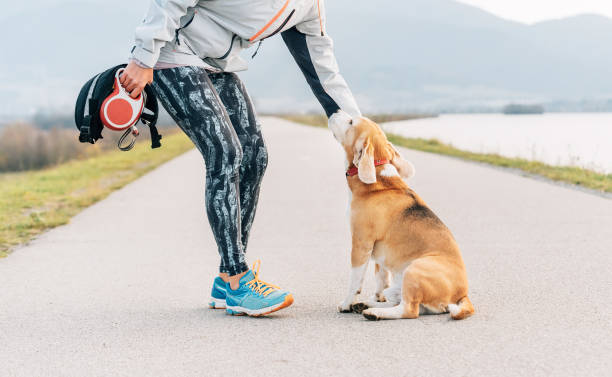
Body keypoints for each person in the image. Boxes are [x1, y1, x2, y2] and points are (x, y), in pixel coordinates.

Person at [121, 0, 361, 317]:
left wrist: (362, 132)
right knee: (225, 152)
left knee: (255, 156)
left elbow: (324, 73)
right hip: (171, 54)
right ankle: (238, 281)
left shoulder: (308, 9)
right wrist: (142, 57)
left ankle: (226, 278)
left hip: (216, 62)